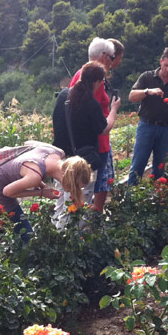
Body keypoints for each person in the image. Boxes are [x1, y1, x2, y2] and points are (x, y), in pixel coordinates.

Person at [0, 141, 91, 242]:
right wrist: (41, 192)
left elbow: (28, 143)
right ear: (69, 181)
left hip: (2, 175)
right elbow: (7, 192)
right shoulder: (34, 176)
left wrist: (28, 171)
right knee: (27, 236)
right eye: (76, 187)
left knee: (2, 223)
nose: (75, 190)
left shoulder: (57, 152)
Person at [52, 62, 118, 222]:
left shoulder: (63, 96)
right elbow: (104, 129)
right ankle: (74, 234)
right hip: (83, 162)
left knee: (61, 201)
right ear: (97, 82)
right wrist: (114, 109)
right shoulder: (90, 103)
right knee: (80, 203)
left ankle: (56, 232)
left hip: (61, 159)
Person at [67, 38, 123, 210]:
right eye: (112, 58)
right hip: (94, 143)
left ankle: (86, 217)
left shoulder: (82, 76)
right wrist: (114, 110)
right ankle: (89, 218)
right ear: (105, 57)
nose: (112, 63)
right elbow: (99, 123)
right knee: (90, 186)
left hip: (88, 143)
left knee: (89, 186)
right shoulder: (92, 82)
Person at [127, 47, 168, 185]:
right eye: (166, 65)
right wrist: (148, 91)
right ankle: (130, 195)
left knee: (160, 168)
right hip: (147, 126)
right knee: (138, 165)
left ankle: (156, 195)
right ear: (161, 62)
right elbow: (132, 96)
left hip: (167, 128)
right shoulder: (147, 77)